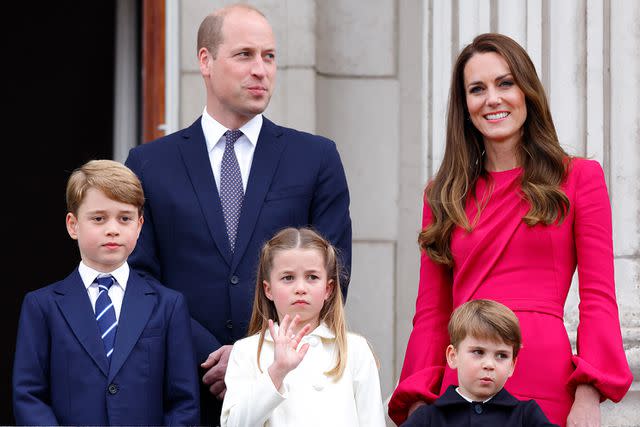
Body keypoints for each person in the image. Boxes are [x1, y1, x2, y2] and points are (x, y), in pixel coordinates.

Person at [388, 33, 632, 427]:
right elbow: (432, 312)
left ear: (527, 91)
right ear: (465, 107)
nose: (493, 99)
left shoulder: (579, 179)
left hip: (545, 378)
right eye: (477, 89)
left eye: (505, 83)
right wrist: (419, 399)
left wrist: (588, 393)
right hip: (465, 382)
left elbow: (599, 297)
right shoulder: (442, 195)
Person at [125, 3, 352, 425]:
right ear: (205, 61)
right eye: (245, 55)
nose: (261, 70)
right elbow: (137, 278)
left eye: (269, 56)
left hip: (289, 391)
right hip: (181, 388)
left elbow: (334, 272)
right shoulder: (149, 164)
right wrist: (206, 354)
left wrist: (252, 357)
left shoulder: (315, 158)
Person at [12, 160, 199, 426]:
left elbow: (183, 402)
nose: (113, 228)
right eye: (99, 218)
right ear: (73, 225)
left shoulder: (168, 305)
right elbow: (28, 395)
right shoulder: (41, 306)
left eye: (125, 218)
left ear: (139, 225)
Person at [220, 227, 384, 426]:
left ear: (328, 289)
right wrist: (277, 371)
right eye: (288, 278)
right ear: (268, 290)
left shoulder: (355, 350)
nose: (300, 288)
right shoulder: (246, 352)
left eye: (312, 277)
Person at [401, 299, 558, 427]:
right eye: (478, 352)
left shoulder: (526, 416)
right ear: (453, 356)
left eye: (501, 355)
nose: (489, 364)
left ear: (512, 365)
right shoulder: (428, 418)